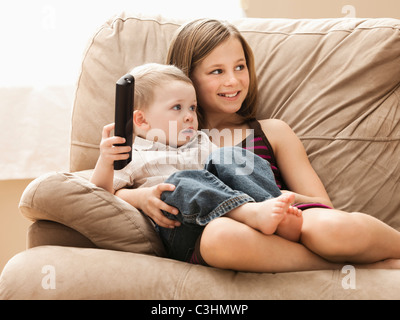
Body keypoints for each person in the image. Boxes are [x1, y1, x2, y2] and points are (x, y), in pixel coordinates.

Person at [116, 19, 400, 273]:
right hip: (231, 232)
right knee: (220, 237)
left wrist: (278, 199)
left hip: (288, 218)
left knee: (330, 227)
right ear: (185, 79)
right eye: (216, 71)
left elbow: (323, 205)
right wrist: (139, 197)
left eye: (240, 67)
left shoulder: (272, 131)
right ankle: (349, 269)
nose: (233, 80)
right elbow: (101, 184)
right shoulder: (165, 140)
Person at [90, 63, 303, 263]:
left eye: (192, 108)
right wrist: (106, 161)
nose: (190, 116)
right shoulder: (132, 154)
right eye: (177, 108)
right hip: (183, 232)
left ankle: (275, 211)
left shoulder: (201, 141)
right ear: (142, 120)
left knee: (231, 156)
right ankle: (251, 213)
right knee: (182, 182)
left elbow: (229, 173)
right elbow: (101, 195)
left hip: (222, 216)